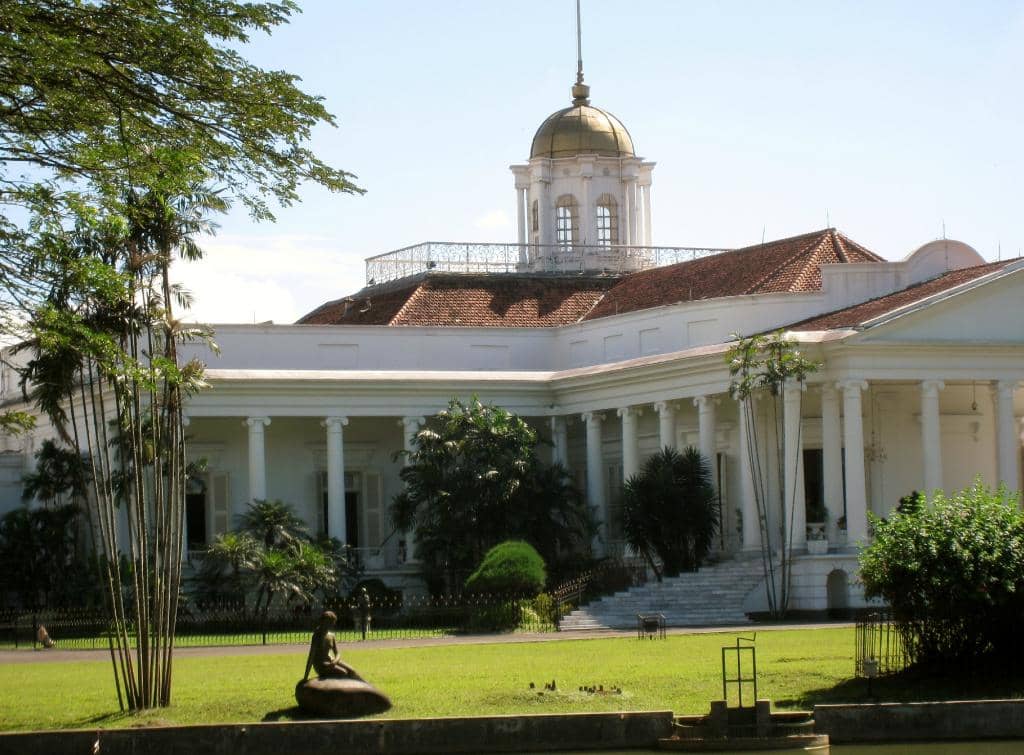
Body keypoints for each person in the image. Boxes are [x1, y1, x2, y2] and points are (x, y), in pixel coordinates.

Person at [303, 610, 361, 681]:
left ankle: (367, 687)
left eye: (331, 623)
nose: (329, 625)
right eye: (327, 623)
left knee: (352, 671)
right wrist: (306, 676)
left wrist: (335, 661)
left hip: (332, 661)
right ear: (322, 622)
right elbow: (311, 656)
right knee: (343, 673)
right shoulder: (317, 636)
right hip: (322, 665)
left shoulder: (331, 635)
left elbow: (337, 653)